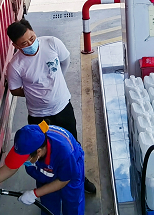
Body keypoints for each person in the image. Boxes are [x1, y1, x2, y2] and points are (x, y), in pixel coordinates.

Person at [6, 19, 96, 194]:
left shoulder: (52, 43)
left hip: (63, 108)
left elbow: (65, 60)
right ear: (15, 45)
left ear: (33, 31)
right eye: (24, 43)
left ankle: (79, 177)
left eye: (31, 38)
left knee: (72, 146)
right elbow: (15, 90)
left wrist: (57, 80)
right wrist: (33, 93)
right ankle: (50, 185)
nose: (30, 44)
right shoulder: (15, 66)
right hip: (39, 116)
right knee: (42, 151)